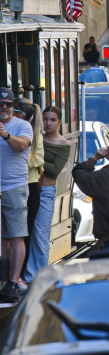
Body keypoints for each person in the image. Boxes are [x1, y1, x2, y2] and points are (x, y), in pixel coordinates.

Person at [25, 106, 70, 285]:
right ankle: (28, 275)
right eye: (45, 119)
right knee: (26, 233)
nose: (48, 123)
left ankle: (42, 278)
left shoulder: (63, 144)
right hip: (29, 188)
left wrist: (36, 158)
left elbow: (54, 170)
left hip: (46, 191)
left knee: (41, 233)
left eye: (52, 120)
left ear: (60, 121)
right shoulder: (36, 138)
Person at [0, 88, 33, 302]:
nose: (4, 107)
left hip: (14, 186)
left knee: (16, 235)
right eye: (0, 103)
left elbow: (21, 146)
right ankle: (3, 280)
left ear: (14, 107)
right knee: (1, 238)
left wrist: (5, 134)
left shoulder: (23, 125)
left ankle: (13, 280)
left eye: (8, 104)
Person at [13, 99, 43, 280]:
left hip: (30, 186)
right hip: (14, 184)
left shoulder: (35, 134)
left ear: (21, 115)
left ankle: (21, 275)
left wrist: (16, 156)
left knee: (25, 233)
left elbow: (37, 161)